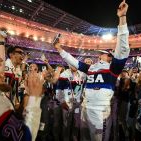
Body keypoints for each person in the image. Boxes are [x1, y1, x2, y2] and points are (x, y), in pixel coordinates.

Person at [53, 0, 129, 140]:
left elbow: (123, 49)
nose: (99, 55)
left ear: (110, 57)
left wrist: (122, 18)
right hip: (85, 108)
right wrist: (60, 50)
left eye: (103, 53)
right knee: (84, 138)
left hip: (100, 112)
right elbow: (74, 61)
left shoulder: (114, 68)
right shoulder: (91, 67)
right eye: (99, 53)